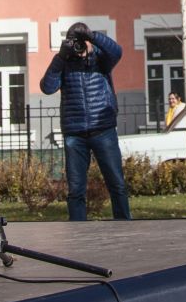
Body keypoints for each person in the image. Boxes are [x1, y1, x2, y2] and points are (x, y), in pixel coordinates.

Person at [40, 22, 130, 221]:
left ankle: (125, 226)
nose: (79, 48)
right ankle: (77, 230)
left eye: (82, 42)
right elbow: (47, 87)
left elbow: (118, 51)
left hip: (103, 129)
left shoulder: (101, 58)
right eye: (75, 43)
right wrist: (60, 57)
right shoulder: (63, 62)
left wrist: (93, 36)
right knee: (76, 190)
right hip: (75, 135)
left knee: (117, 184)